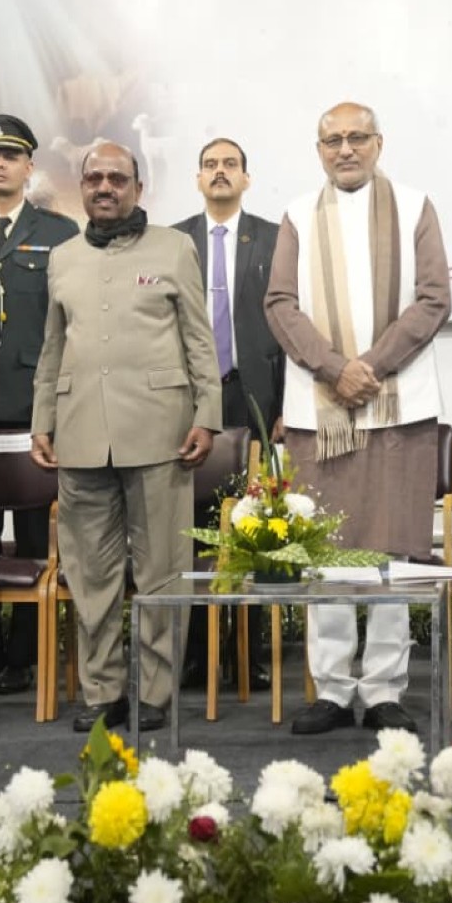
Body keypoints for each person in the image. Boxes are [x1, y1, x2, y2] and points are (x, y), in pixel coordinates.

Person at [265, 102, 452, 735]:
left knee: (394, 546)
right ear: (318, 149)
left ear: (379, 142)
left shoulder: (416, 205)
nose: (345, 149)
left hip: (399, 407)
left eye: (357, 138)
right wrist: (330, 368)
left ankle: (384, 689)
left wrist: (366, 366)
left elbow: (433, 299)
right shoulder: (295, 214)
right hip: (320, 412)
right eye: (333, 140)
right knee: (329, 552)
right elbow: (280, 302)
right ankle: (333, 688)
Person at [31, 142, 220, 734]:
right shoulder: (62, 257)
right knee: (90, 576)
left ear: (138, 187)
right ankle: (103, 693)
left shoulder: (175, 247)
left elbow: (199, 338)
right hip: (81, 431)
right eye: (94, 178)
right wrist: (42, 419)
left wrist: (207, 413)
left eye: (117, 177)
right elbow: (53, 346)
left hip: (161, 431)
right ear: (82, 187)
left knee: (162, 569)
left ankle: (156, 692)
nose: (105, 186)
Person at [0, 115, 79, 697]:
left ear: (30, 168)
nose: (0, 164)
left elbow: (72, 324)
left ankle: (25, 657)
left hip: (34, 409)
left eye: (12, 155)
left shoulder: (58, 234)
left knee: (35, 540)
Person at [172, 136, 284, 690]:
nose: (219, 172)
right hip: (190, 401)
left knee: (256, 526)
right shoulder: (172, 241)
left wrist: (285, 405)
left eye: (230, 165)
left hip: (254, 398)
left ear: (246, 177)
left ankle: (250, 654)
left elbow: (290, 324)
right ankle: (195, 653)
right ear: (197, 179)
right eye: (210, 165)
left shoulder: (274, 237)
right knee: (192, 527)